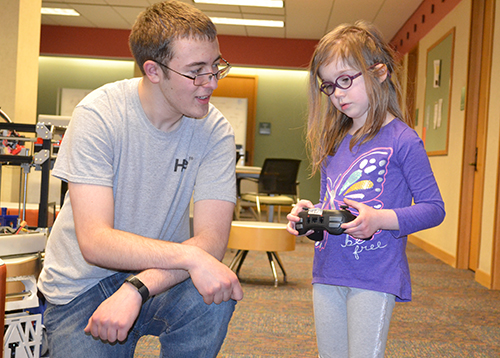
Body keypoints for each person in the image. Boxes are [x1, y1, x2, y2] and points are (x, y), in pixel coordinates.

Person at [37, 1, 243, 357]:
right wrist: (191, 257)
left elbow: (212, 241)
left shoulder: (215, 131)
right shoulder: (99, 115)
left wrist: (138, 287)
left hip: (159, 279)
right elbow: (96, 242)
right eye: (196, 71)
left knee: (214, 295)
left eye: (215, 66)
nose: (211, 82)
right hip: (81, 289)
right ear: (153, 70)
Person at [286, 21, 445, 358]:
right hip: (327, 270)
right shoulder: (334, 142)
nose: (337, 93)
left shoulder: (404, 140)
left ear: (379, 73)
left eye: (345, 80)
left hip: (374, 275)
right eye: (328, 86)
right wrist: (310, 216)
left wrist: (379, 219)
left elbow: (434, 208)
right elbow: (335, 205)